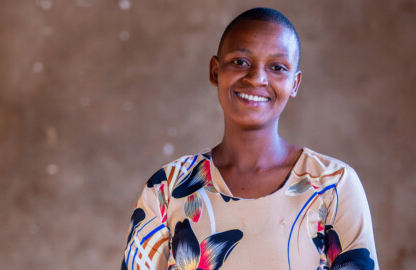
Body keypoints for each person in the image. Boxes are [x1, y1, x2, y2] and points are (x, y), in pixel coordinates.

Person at [122, 7, 378, 270]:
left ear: (294, 84)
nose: (256, 78)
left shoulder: (333, 186)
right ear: (215, 71)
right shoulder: (167, 188)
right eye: (240, 62)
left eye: (277, 67)